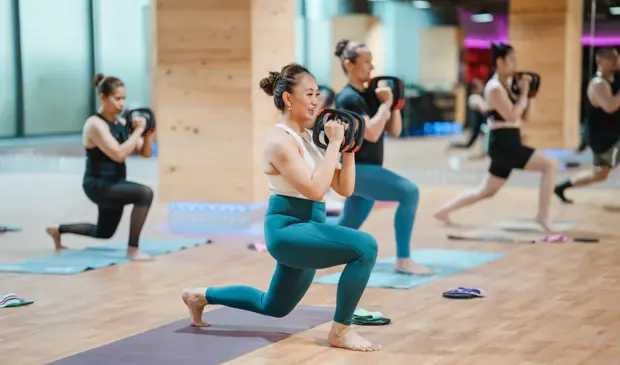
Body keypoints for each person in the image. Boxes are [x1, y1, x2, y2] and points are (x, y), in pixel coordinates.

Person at [181, 63, 382, 352]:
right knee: (365, 247)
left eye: (317, 94)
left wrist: (348, 149)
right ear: (289, 98)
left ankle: (199, 295)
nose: (316, 101)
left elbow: (344, 188)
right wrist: (335, 145)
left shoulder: (309, 137)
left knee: (274, 306)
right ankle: (341, 331)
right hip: (288, 229)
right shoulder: (279, 141)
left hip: (309, 227)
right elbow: (314, 190)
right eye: (309, 94)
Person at [331, 39, 433, 275]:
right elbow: (373, 133)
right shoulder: (347, 97)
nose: (371, 67)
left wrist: (394, 103)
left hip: (367, 171)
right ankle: (404, 260)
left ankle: (307, 246)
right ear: (349, 64)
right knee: (409, 191)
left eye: (371, 61)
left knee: (347, 225)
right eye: (366, 62)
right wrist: (385, 105)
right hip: (358, 170)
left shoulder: (369, 96)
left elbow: (394, 131)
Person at [434, 43, 558, 231]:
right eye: (511, 60)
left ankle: (443, 211)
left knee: (485, 192)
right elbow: (511, 116)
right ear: (500, 62)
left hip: (509, 140)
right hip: (503, 143)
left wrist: (530, 95)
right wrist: (524, 93)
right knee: (550, 165)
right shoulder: (494, 88)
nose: (515, 64)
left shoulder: (506, 86)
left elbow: (527, 117)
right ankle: (542, 216)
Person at [46, 74, 155, 261]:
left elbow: (144, 153)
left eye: (124, 98)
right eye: (117, 98)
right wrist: (137, 131)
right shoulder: (95, 124)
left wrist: (149, 131)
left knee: (104, 232)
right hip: (98, 184)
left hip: (116, 184)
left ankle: (58, 230)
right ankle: (133, 250)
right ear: (103, 97)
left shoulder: (120, 123)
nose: (122, 103)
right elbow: (119, 155)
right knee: (145, 193)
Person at [554, 48, 620, 203]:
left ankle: (561, 187)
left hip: (614, 135)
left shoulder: (613, 80)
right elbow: (610, 106)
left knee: (599, 175)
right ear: (600, 61)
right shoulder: (598, 84)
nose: (615, 63)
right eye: (612, 60)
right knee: (599, 175)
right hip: (604, 138)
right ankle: (561, 187)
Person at [447, 78, 489, 155]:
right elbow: (483, 109)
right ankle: (453, 145)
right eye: (479, 86)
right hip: (477, 126)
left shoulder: (480, 97)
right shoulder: (474, 98)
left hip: (482, 125)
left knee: (485, 138)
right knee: (468, 144)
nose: (481, 87)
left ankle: (484, 152)